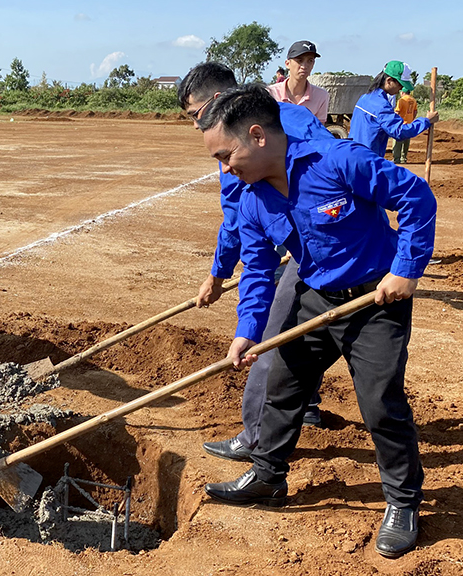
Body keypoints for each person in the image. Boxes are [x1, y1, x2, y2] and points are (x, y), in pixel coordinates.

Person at [197, 84, 436, 559]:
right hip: (314, 296)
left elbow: (415, 196)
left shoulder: (337, 161)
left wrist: (406, 269)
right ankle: (267, 476)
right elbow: (260, 274)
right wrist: (247, 334)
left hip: (374, 301)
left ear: (258, 135)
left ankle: (403, 503)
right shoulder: (252, 201)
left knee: (379, 402)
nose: (225, 169)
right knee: (284, 388)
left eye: (227, 155)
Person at [177, 62, 332, 464]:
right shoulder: (288, 114)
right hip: (313, 243)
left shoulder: (238, 142)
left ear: (217, 103)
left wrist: (217, 274)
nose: (197, 127)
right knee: (298, 337)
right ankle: (306, 409)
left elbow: (237, 219)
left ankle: (256, 437)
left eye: (196, 115)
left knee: (272, 344)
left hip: (311, 251)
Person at [350, 60, 437, 158]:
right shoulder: (381, 105)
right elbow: (399, 131)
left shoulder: (365, 98)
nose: (401, 88)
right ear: (389, 81)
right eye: (400, 84)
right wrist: (426, 121)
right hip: (367, 160)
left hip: (353, 155)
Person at [266, 41, 330, 123]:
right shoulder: (270, 94)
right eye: (299, 60)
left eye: (310, 61)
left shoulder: (321, 96)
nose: (304, 66)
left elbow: (318, 132)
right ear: (287, 64)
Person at [392, 89, 419, 164]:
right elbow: (415, 111)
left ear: (402, 92)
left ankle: (397, 159)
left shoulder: (401, 100)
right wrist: (411, 119)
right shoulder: (413, 100)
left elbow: (397, 112)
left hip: (401, 124)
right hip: (409, 124)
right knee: (406, 143)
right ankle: (404, 159)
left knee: (397, 143)